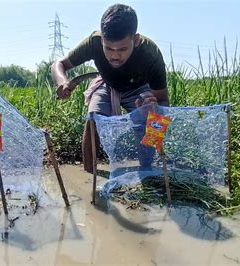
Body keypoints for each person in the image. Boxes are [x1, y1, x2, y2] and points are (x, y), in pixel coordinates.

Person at [51, 3, 169, 173]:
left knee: (151, 121)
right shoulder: (94, 42)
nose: (114, 55)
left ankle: (147, 170)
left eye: (122, 49)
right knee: (93, 119)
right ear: (102, 41)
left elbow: (163, 100)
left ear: (135, 40)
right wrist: (62, 82)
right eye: (108, 48)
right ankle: (89, 175)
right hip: (108, 83)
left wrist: (153, 111)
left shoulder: (150, 54)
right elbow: (58, 64)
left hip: (138, 89)